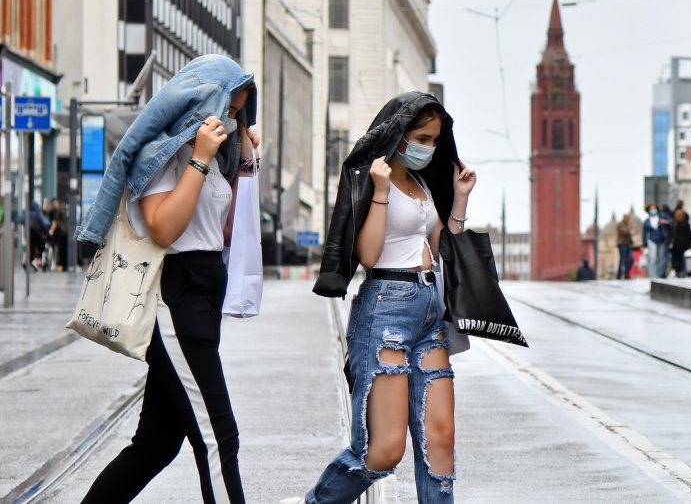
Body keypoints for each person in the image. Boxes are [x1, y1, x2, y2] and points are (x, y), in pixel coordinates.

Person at [78, 55, 256, 504]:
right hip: (176, 297)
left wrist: (244, 163)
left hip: (204, 292)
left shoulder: (211, 157)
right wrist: (198, 158)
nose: (233, 119)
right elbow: (163, 227)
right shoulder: (161, 153)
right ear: (205, 101)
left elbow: (223, 233)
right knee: (219, 437)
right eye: (230, 109)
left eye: (238, 113)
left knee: (156, 444)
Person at [284, 93, 474, 504]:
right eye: (422, 137)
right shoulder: (376, 179)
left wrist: (459, 199)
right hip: (386, 309)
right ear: (399, 134)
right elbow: (368, 256)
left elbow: (444, 247)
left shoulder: (423, 184)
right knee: (382, 450)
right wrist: (383, 189)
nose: (429, 147)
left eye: (436, 140)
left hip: (429, 311)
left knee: (440, 442)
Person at [642, 203, 668, 279]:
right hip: (651, 240)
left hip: (661, 240)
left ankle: (660, 274)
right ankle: (653, 275)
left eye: (654, 208)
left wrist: (665, 222)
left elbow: (670, 221)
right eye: (651, 208)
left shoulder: (662, 217)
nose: (653, 210)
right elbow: (644, 233)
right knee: (652, 257)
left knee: (661, 258)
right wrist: (644, 244)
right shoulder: (647, 221)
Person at [671, 208, 691, 278]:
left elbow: (672, 235)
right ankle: (683, 271)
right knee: (683, 258)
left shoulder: (675, 224)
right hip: (684, 243)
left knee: (677, 259)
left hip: (676, 244)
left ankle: (678, 271)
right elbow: (689, 235)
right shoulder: (686, 224)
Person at [48, 197, 68, 269]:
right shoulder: (62, 208)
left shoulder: (61, 208)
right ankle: (63, 265)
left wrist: (51, 231)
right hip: (63, 233)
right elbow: (55, 221)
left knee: (63, 249)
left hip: (64, 233)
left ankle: (63, 265)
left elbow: (55, 221)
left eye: (54, 204)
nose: (54, 206)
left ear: (57, 202)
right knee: (62, 249)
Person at [615, 213, 635, 279]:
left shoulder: (627, 225)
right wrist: (630, 226)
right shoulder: (620, 224)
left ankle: (626, 273)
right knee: (622, 260)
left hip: (628, 244)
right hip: (622, 244)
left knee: (631, 259)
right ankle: (619, 275)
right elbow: (625, 232)